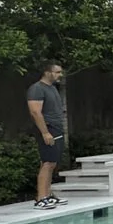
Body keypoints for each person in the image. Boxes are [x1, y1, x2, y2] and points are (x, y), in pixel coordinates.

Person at [27, 61, 69, 205]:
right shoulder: (37, 89)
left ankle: (47, 194)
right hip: (48, 128)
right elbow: (35, 112)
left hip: (56, 128)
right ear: (47, 72)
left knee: (52, 163)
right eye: (57, 72)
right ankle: (41, 198)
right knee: (47, 162)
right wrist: (45, 132)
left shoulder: (52, 88)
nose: (60, 75)